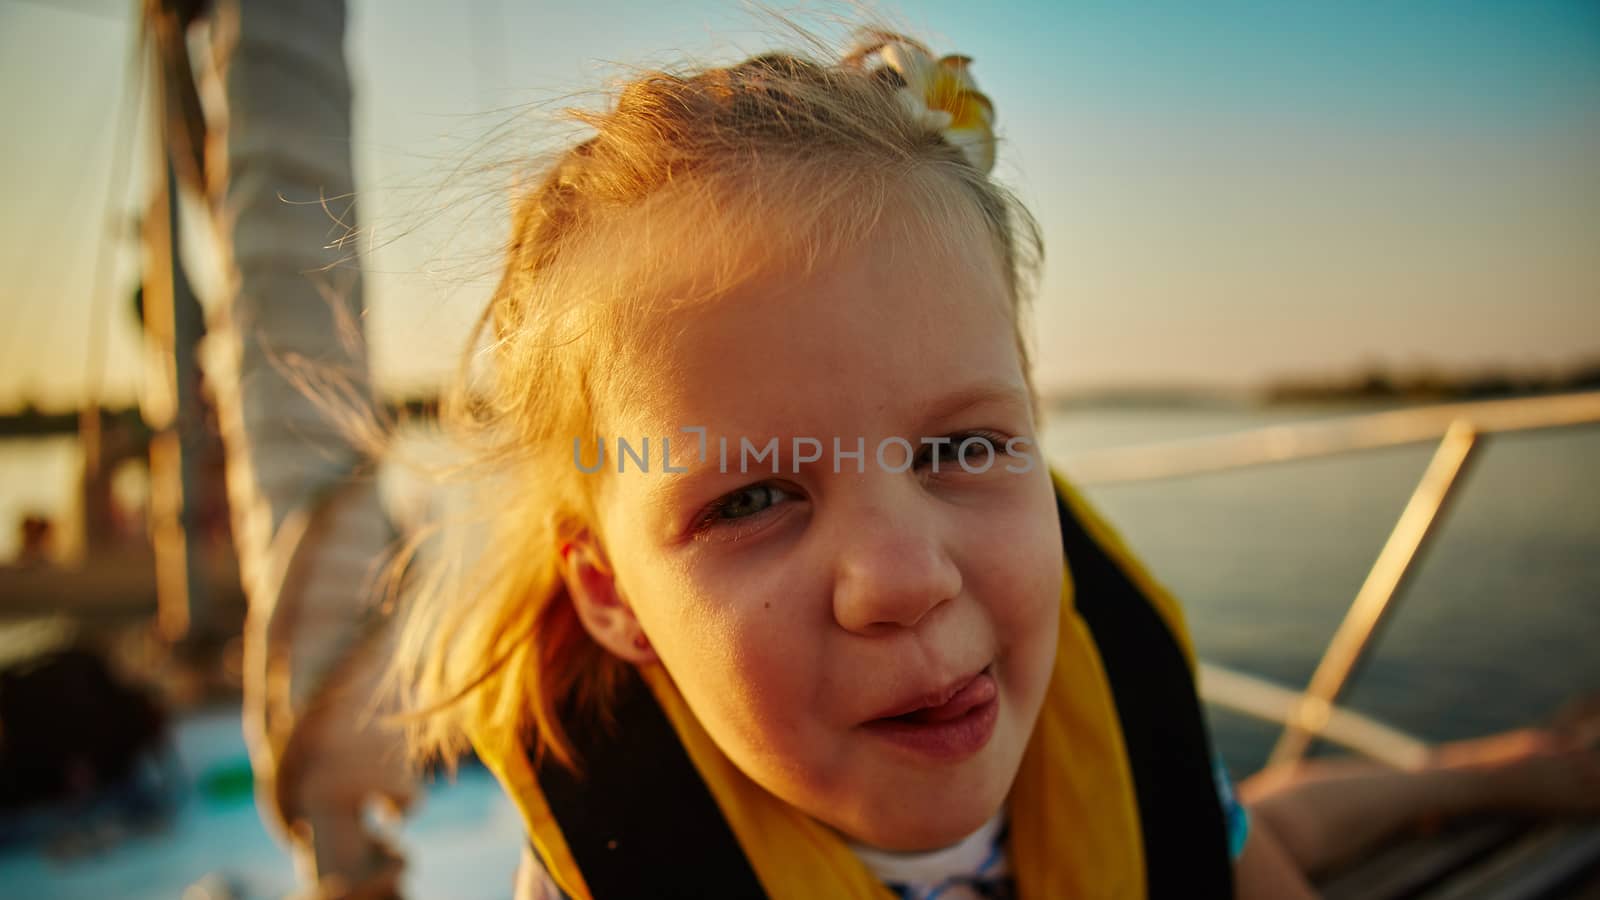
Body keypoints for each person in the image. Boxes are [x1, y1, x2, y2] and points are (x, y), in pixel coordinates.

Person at [385, 27, 1599, 899]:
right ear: (608, 593)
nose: (904, 579)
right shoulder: (614, 868)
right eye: (753, 496)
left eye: (961, 447)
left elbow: (1221, 855)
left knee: (1226, 814)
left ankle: (1500, 773)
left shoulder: (1107, 685)